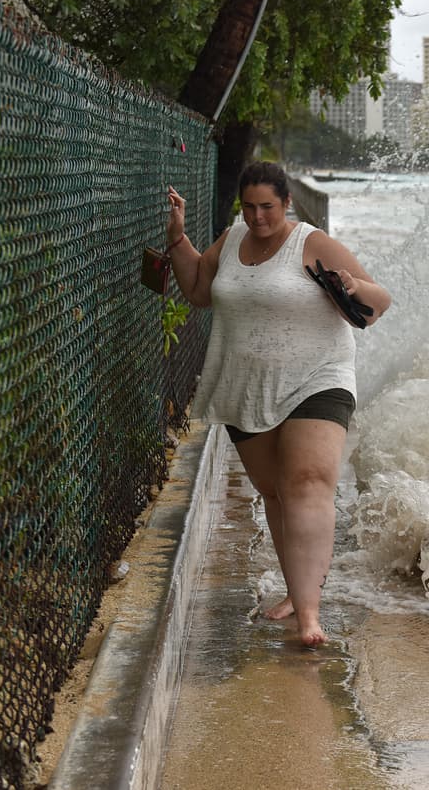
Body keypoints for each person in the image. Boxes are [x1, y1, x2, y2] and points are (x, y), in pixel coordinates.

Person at [164, 161, 390, 647]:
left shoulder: (311, 242)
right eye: (249, 207)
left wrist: (354, 287)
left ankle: (309, 616)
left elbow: (380, 301)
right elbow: (198, 291)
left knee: (307, 483)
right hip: (248, 384)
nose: (258, 217)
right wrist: (178, 238)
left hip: (318, 378)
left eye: (267, 206)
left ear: (287, 203)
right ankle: (297, 590)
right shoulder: (231, 239)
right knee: (275, 492)